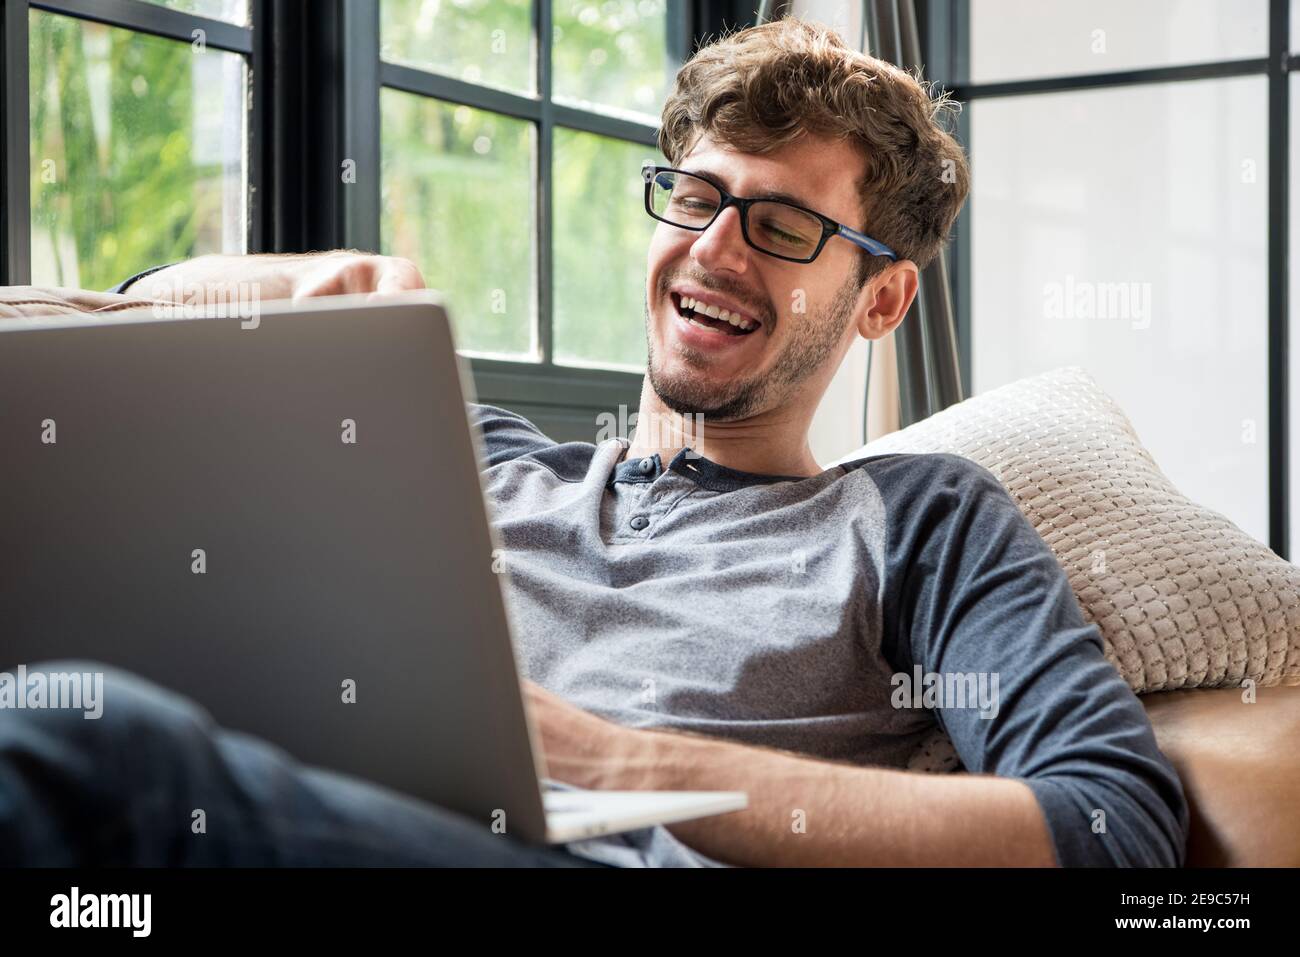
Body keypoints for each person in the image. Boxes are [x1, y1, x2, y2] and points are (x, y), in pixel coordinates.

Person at [1, 17, 1188, 867]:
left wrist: (609, 765)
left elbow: (1109, 825)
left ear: (880, 302)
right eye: (694, 198)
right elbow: (118, 356)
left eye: (778, 225)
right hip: (305, 811)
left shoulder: (922, 517)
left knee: (90, 743)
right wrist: (284, 279)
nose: (714, 250)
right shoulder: (472, 451)